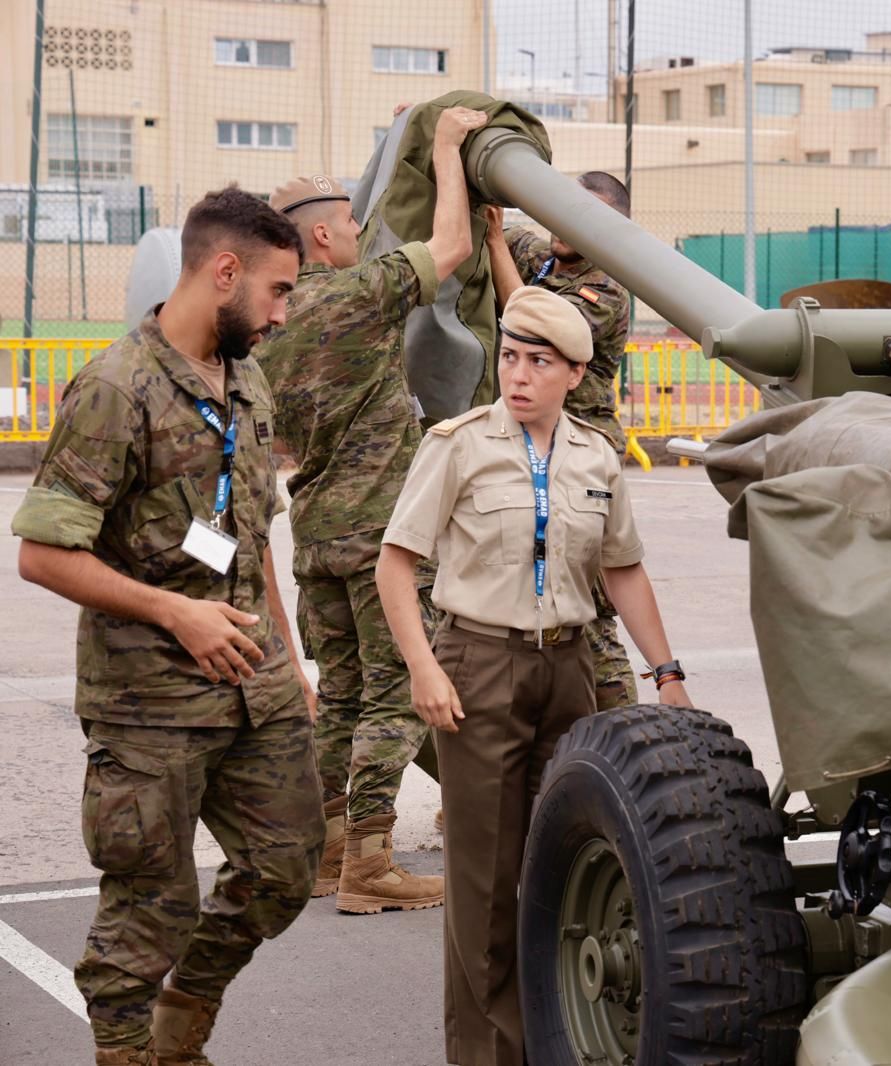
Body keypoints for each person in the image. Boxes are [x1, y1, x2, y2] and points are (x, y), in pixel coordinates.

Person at [12, 187, 320, 1066]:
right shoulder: (117, 389)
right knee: (148, 908)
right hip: (148, 702)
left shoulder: (245, 376)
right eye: (277, 291)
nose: (282, 314)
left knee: (286, 870)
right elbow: (42, 554)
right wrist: (173, 610)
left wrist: (288, 661)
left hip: (253, 684)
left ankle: (184, 1013)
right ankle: (133, 1053)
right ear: (224, 273)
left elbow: (247, 533)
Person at [374, 285, 691, 1066]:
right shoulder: (458, 443)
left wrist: (668, 672)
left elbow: (623, 570)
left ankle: (560, 1036)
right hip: (478, 665)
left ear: (575, 374)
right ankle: (486, 1056)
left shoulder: (595, 455)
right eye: (510, 357)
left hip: (569, 671)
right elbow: (396, 560)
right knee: (483, 885)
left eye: (538, 362)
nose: (518, 375)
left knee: (561, 869)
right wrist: (422, 666)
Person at [254, 105, 486, 915]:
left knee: (344, 694)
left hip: (314, 534)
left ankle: (324, 851)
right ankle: (372, 862)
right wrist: (450, 149)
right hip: (379, 535)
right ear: (321, 238)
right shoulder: (355, 295)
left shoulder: (268, 321)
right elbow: (451, 248)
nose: (359, 230)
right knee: (394, 692)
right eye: (351, 219)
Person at [484, 171, 640, 713]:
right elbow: (495, 223)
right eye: (562, 208)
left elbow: (531, 325)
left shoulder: (606, 288)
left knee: (589, 612)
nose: (563, 222)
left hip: (581, 459)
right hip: (531, 452)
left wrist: (494, 245)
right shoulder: (548, 252)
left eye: (582, 215)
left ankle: (632, 737)